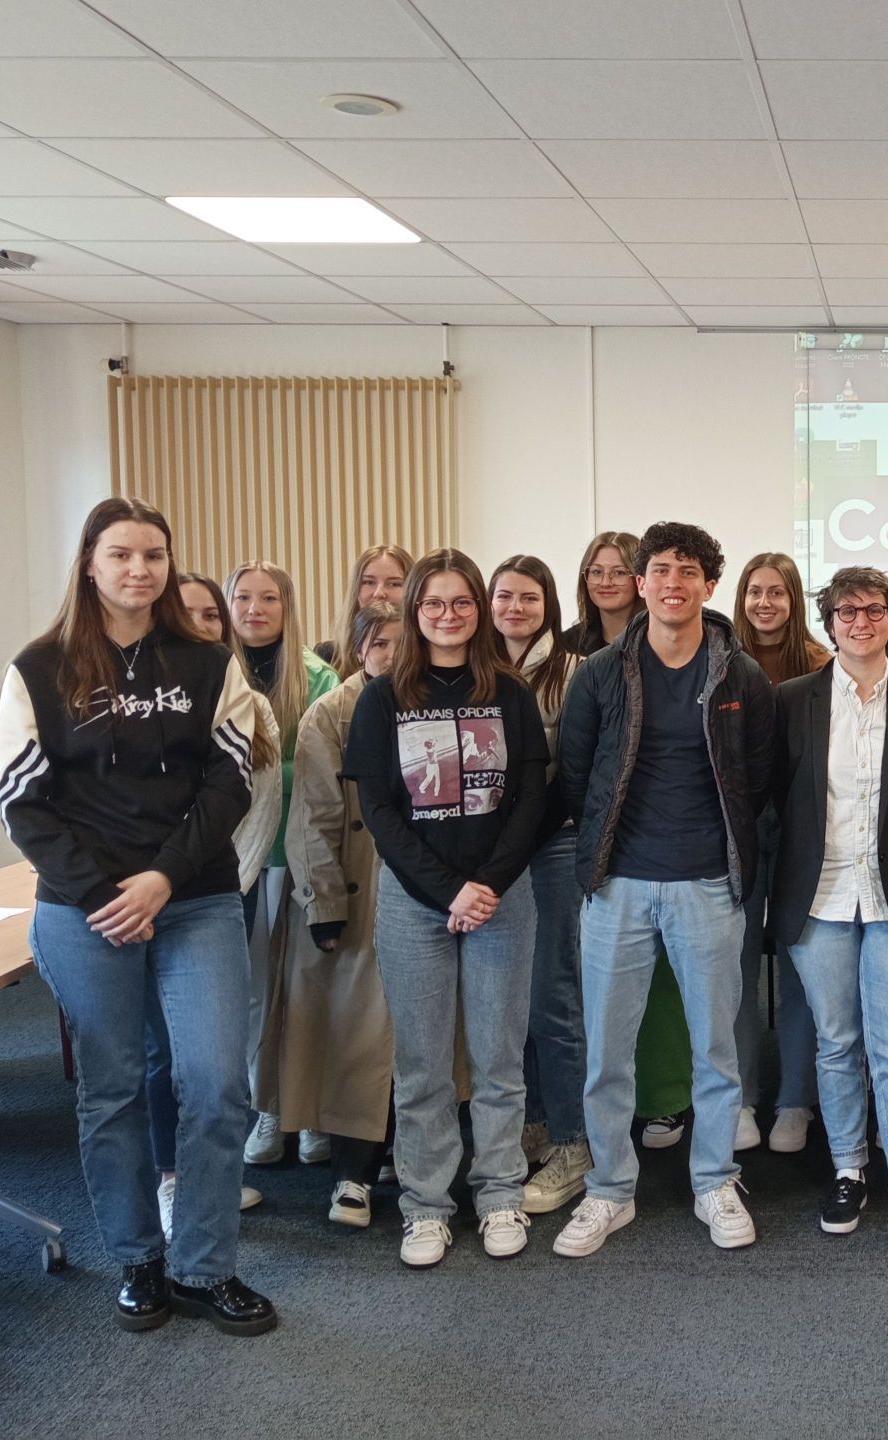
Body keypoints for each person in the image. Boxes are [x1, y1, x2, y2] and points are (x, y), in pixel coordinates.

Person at [0, 497, 276, 1335]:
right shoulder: (39, 668)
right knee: (112, 1088)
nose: (139, 570)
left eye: (154, 555)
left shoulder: (206, 661)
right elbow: (22, 802)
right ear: (90, 563)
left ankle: (204, 1265)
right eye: (121, 555)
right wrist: (102, 895)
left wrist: (159, 880)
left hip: (193, 901)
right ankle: (139, 1262)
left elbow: (229, 783)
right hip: (83, 914)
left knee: (218, 1085)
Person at [550, 521, 776, 1259]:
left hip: (708, 884)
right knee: (608, 1049)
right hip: (617, 884)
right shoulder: (601, 673)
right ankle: (611, 1189)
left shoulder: (740, 676)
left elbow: (760, 777)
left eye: (689, 571)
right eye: (660, 570)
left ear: (710, 586)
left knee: (715, 1049)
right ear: (640, 582)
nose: (672, 583)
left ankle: (714, 1178)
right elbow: (576, 775)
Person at [342, 549, 549, 1267]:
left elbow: (530, 801)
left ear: (478, 610)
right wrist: (447, 890)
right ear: (414, 611)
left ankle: (498, 1195)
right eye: (434, 604)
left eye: (462, 602)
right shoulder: (382, 698)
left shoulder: (511, 693)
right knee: (423, 1064)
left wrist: (486, 885)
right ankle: (427, 1206)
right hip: (414, 902)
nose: (449, 615)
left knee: (498, 1060)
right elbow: (379, 810)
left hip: (502, 898)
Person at [770, 566, 888, 1270]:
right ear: (828, 623)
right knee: (836, 1042)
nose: (861, 621)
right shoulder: (791, 700)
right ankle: (849, 1171)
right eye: (847, 611)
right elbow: (773, 795)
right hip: (818, 897)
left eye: (874, 610)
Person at [149, 572, 282, 1237]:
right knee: (159, 1051)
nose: (203, 625)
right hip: (146, 895)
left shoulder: (248, 704)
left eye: (210, 616)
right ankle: (171, 1179)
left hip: (221, 889)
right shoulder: (146, 700)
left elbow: (255, 812)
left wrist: (235, 881)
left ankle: (210, 1182)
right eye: (192, 614)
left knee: (215, 1058)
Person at [268, 600, 407, 1230]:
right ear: (357, 648)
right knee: (357, 1041)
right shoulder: (331, 712)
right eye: (377, 642)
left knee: (421, 1038)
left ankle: (405, 1156)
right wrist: (324, 904)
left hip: (423, 889)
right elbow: (314, 817)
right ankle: (351, 1173)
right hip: (355, 891)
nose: (389, 653)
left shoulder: (434, 701)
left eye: (401, 642)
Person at [560, 529, 692, 1152]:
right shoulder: (578, 659)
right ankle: (605, 1166)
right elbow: (576, 770)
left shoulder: (714, 657)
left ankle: (665, 1099)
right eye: (597, 570)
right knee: (601, 1009)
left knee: (669, 994)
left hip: (692, 866)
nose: (608, 580)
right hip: (611, 863)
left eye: (620, 569)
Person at [488, 554, 594, 1217]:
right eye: (503, 596)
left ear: (548, 604)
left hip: (552, 845)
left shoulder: (573, 672)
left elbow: (576, 771)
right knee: (507, 996)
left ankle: (574, 1143)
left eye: (528, 597)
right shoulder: (476, 670)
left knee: (553, 995)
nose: (514, 608)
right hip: (493, 856)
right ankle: (533, 1121)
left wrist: (522, 835)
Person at [226, 559, 339, 1169]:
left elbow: (323, 772)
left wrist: (266, 773)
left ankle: (311, 1109)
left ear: (287, 607)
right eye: (243, 597)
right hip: (236, 857)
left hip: (298, 854)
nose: (256, 609)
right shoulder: (212, 674)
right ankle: (266, 1106)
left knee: (305, 986)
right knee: (251, 994)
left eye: (269, 598)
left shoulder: (316, 676)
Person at [731, 551, 830, 1154]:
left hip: (801, 834)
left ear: (794, 601)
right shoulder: (720, 665)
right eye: (754, 592)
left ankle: (796, 1099)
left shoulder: (823, 667)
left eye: (777, 593)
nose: (764, 604)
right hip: (733, 835)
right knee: (734, 973)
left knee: (801, 970)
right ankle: (740, 1098)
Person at [314, 544, 413, 670]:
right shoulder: (327, 657)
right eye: (369, 582)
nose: (379, 593)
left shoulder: (431, 655)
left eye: (394, 584)